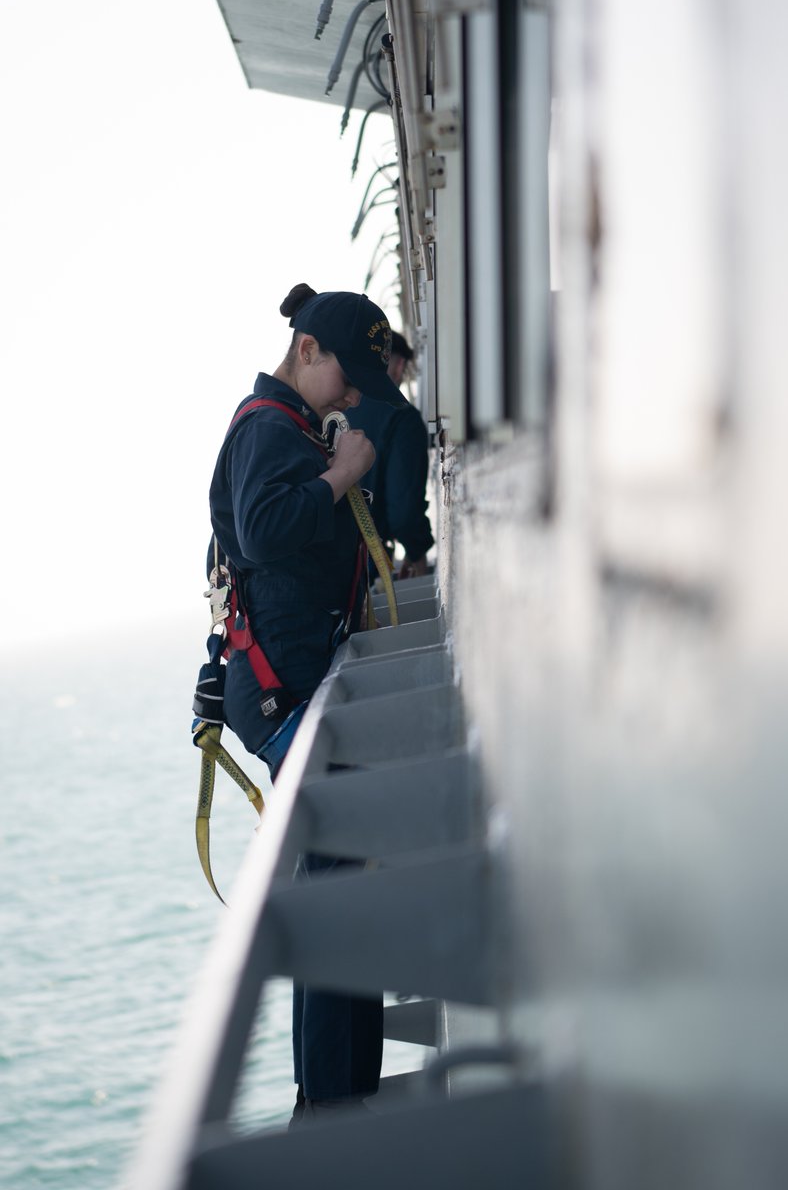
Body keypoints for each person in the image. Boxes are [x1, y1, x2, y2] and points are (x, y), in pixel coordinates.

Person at [206, 282, 406, 1123]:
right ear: (308, 352)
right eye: (347, 376)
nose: (354, 395)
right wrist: (345, 472)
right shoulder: (264, 429)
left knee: (343, 884)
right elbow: (260, 531)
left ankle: (334, 1096)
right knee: (336, 889)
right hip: (280, 692)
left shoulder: (288, 429)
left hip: (290, 685)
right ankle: (330, 1110)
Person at [346, 331, 434, 578]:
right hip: (366, 567)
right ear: (399, 364)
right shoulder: (402, 418)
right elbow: (404, 513)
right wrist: (417, 553)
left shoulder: (335, 410)